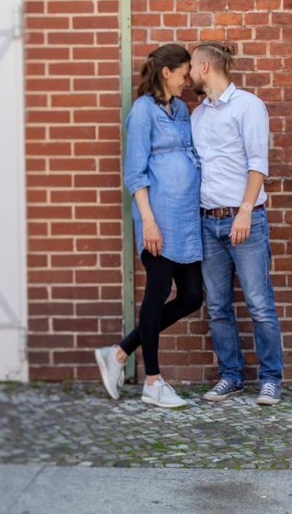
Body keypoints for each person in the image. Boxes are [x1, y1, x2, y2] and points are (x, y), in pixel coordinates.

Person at [94, 43, 203, 408]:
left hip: (186, 219)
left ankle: (120, 353)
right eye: (184, 75)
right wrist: (149, 223)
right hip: (157, 219)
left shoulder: (182, 110)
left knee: (191, 296)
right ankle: (153, 382)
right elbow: (135, 173)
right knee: (157, 292)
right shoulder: (142, 112)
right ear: (166, 72)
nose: (187, 83)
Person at [188, 40, 284, 406]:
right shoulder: (198, 116)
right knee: (217, 305)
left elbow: (258, 162)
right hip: (208, 224)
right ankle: (231, 376)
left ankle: (271, 378)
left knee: (260, 303)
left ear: (206, 67)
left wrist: (245, 210)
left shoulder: (248, 106)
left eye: (192, 68)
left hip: (245, 220)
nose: (189, 76)